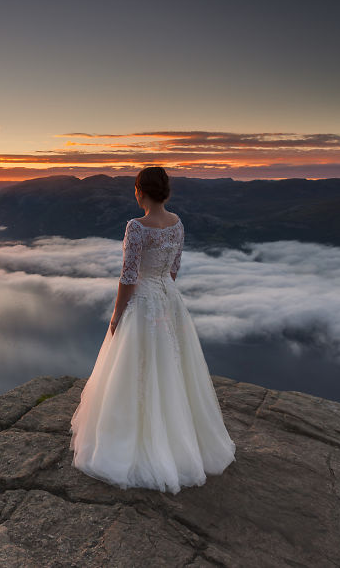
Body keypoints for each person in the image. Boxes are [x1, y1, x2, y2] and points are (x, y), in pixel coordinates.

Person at [69, 166, 236, 494]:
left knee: (137, 370)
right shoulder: (177, 224)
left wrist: (117, 315)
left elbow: (129, 277)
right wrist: (162, 296)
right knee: (173, 367)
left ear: (140, 191)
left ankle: (137, 441)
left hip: (144, 304)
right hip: (169, 302)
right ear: (166, 192)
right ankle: (182, 441)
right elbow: (173, 270)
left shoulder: (137, 227)